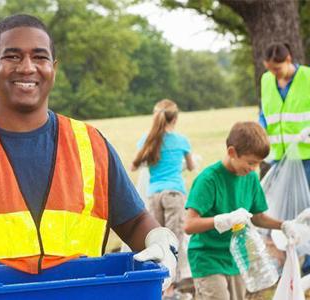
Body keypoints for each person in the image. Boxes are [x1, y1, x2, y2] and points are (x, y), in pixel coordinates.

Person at [0, 14, 179, 300]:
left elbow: (135, 222)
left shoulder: (91, 145)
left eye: (40, 57)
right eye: (12, 56)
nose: (27, 68)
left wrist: (158, 240)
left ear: (53, 68)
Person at [184, 122, 305, 300]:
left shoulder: (250, 178)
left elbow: (258, 217)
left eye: (258, 164)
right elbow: (189, 225)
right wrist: (222, 220)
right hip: (207, 258)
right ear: (232, 152)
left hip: (236, 258)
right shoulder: (209, 180)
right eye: (251, 162)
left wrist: (284, 225)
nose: (254, 168)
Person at [131, 99, 195, 300]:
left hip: (154, 195)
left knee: (157, 243)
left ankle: (158, 286)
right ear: (175, 118)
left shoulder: (146, 141)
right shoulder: (182, 141)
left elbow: (134, 166)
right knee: (173, 242)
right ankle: (171, 291)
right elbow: (192, 167)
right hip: (174, 194)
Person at [259, 42, 310, 275]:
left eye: (277, 68)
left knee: (307, 209)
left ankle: (308, 264)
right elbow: (264, 113)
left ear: (289, 59)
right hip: (279, 157)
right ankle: (291, 262)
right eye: (270, 69)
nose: (274, 73)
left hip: (306, 154)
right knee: (283, 212)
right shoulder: (266, 80)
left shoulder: (307, 77)